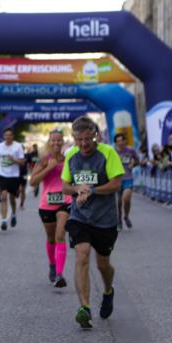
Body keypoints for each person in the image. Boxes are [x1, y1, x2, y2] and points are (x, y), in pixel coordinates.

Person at [61, 117, 124, 330]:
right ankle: (85, 308)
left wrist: (92, 190)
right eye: (79, 139)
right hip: (80, 217)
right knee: (82, 254)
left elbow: (116, 183)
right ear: (73, 138)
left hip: (105, 219)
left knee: (102, 264)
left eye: (87, 139)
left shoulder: (108, 153)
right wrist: (77, 189)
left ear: (94, 135)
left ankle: (108, 291)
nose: (84, 144)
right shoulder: (71, 155)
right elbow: (65, 186)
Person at [29, 129, 72, 289]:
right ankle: (52, 265)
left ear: (63, 142)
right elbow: (33, 182)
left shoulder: (68, 159)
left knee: (60, 235)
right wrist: (48, 167)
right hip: (47, 204)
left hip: (64, 202)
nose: (56, 143)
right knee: (51, 238)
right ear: (49, 142)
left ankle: (59, 275)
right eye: (53, 140)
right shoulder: (43, 160)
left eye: (59, 140)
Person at [0, 128, 25, 231]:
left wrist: (14, 159)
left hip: (14, 176)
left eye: (10, 135)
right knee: (4, 196)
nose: (8, 137)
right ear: (4, 136)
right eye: (6, 135)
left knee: (12, 199)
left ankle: (14, 214)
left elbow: (22, 162)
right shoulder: (0, 146)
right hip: (2, 175)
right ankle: (4, 220)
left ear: (12, 136)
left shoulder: (18, 146)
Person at [114, 133, 139, 230]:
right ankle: (119, 220)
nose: (120, 143)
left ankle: (126, 216)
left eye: (122, 140)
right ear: (115, 142)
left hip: (128, 178)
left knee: (126, 199)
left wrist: (134, 163)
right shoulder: (113, 151)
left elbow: (137, 160)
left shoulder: (130, 150)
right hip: (117, 179)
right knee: (118, 202)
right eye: (118, 141)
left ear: (125, 141)